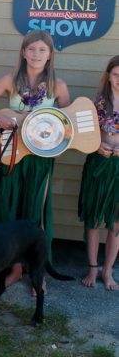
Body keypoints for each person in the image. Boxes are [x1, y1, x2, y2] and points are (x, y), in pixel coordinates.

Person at [0, 30, 70, 292]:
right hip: (13, 155)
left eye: (42, 50)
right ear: (23, 52)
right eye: (32, 49)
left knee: (35, 210)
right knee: (10, 207)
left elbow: (67, 125)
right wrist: (0, 119)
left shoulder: (57, 86)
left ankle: (38, 271)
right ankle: (12, 268)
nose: (36, 54)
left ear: (50, 55)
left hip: (40, 159)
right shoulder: (10, 80)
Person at [78, 55, 119, 291]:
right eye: (116, 75)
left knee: (116, 221)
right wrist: (96, 146)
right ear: (109, 76)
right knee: (93, 217)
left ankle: (108, 269)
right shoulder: (97, 103)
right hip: (98, 163)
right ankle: (92, 266)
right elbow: (84, 134)